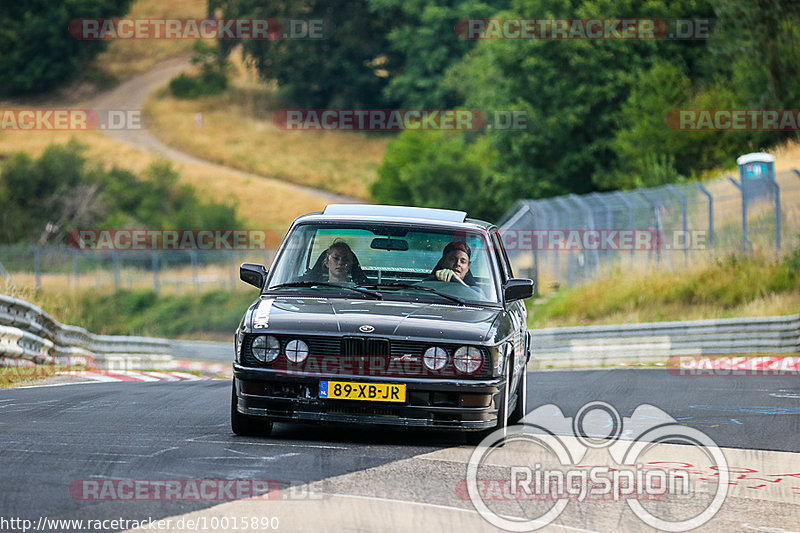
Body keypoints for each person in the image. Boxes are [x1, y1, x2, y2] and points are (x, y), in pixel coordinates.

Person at [299, 241, 369, 284]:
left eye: (345, 259)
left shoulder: (362, 292)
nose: (340, 263)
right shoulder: (312, 290)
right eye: (336, 258)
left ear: (350, 264)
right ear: (326, 262)